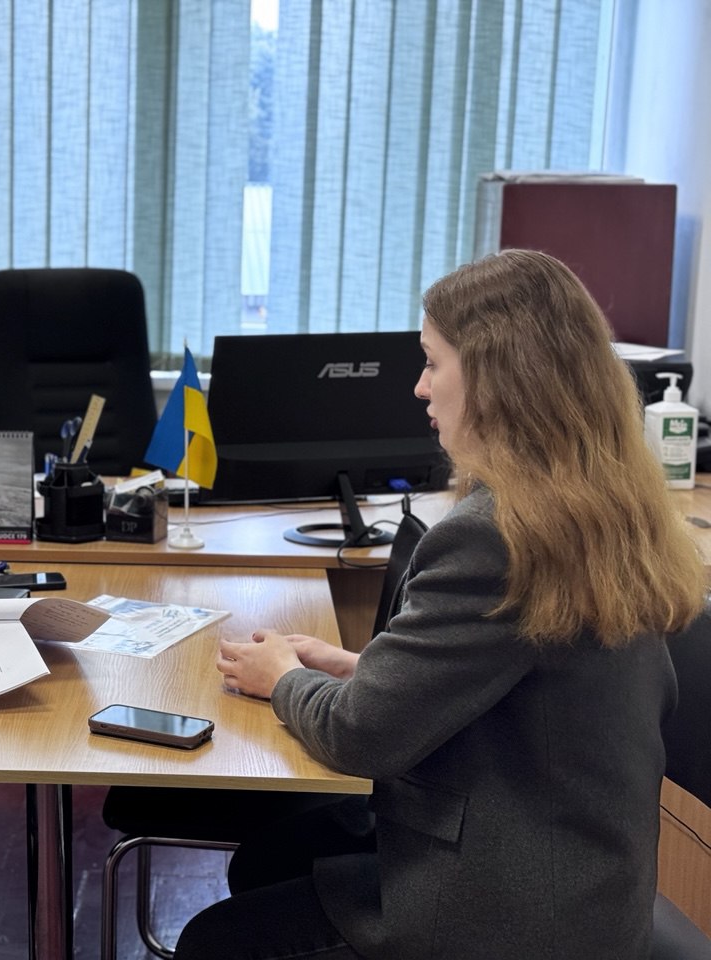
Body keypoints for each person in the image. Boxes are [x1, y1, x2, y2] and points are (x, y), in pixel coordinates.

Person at [174, 249, 706, 960]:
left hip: (514, 916)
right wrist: (361, 667)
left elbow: (359, 738)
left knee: (215, 940)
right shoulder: (603, 508)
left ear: (496, 377)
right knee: (274, 856)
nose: (420, 387)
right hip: (585, 882)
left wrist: (283, 679)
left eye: (432, 363)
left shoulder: (497, 535)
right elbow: (525, 680)